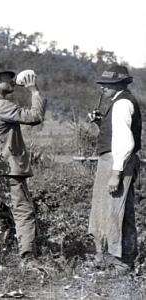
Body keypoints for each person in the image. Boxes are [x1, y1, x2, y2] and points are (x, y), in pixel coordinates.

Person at [0, 62, 47, 269]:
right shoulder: (3, 106)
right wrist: (33, 90)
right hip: (7, 169)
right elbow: (36, 117)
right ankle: (28, 258)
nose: (12, 81)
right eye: (8, 78)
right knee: (23, 212)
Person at [87, 65, 141, 273]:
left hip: (117, 162)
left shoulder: (122, 104)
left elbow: (125, 142)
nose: (103, 88)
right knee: (109, 208)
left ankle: (122, 261)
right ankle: (110, 256)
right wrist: (101, 123)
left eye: (107, 85)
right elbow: (116, 135)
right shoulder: (118, 102)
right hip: (113, 160)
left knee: (116, 211)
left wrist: (116, 173)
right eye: (102, 84)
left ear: (120, 84)